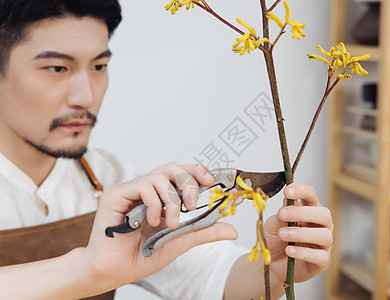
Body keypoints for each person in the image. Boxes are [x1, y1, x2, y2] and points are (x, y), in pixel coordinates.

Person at [0, 0, 334, 299]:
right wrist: (89, 268)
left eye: (98, 66)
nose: (85, 97)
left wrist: (272, 267)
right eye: (57, 68)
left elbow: (208, 278)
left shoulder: (111, 179)